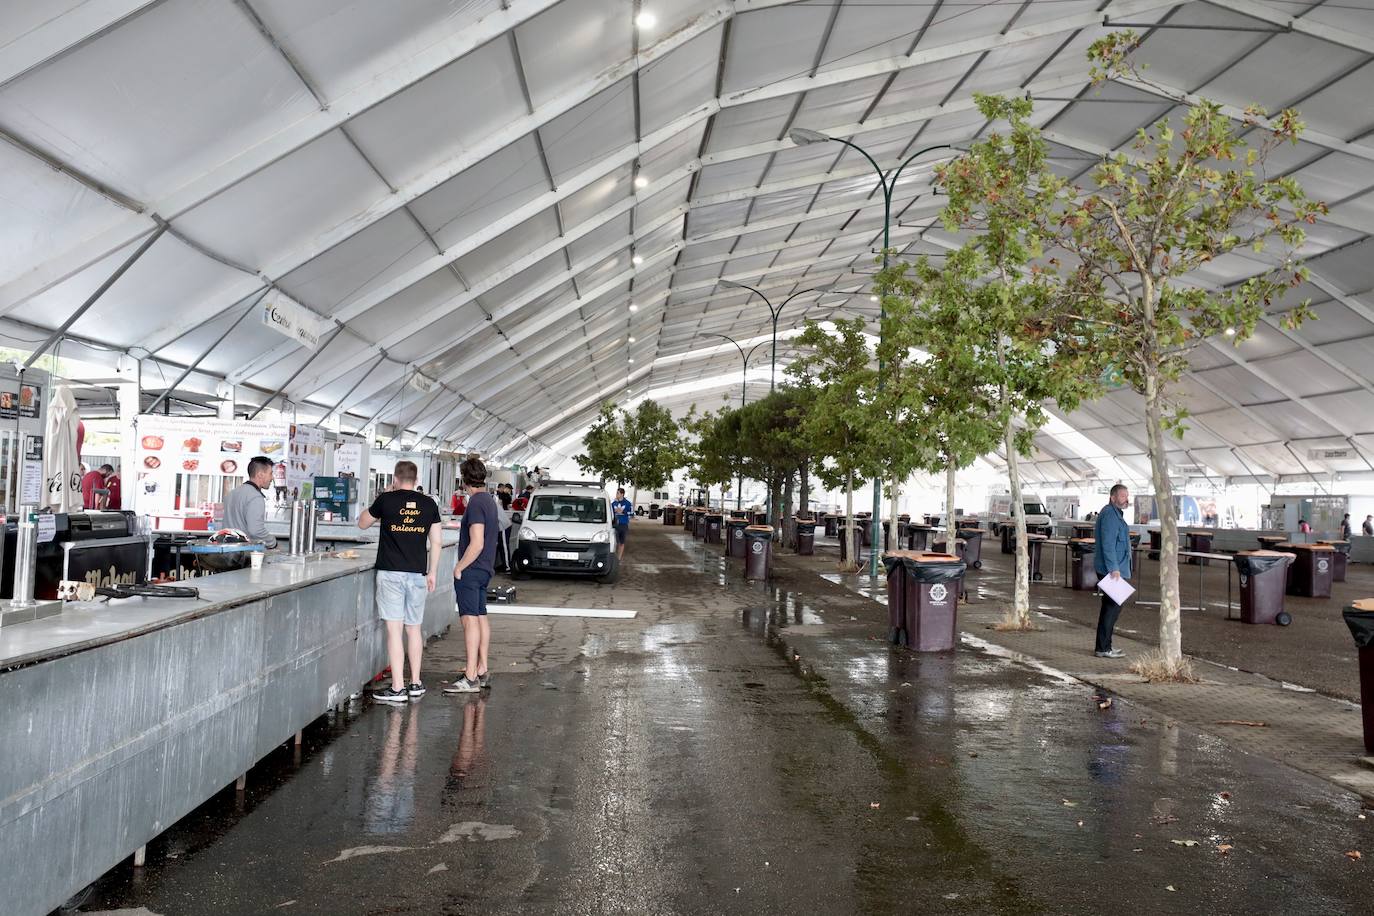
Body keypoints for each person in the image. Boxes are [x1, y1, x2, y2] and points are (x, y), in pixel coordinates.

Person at [359, 460, 442, 704]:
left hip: (391, 573)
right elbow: (436, 541)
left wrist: (382, 496)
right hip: (418, 574)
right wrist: (433, 572)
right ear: (416, 480)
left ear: (395, 478)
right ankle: (415, 683)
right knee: (414, 628)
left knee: (394, 631)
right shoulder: (429, 504)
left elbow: (363, 523)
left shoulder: (387, 500)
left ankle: (397, 688)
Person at [445, 457, 500, 695]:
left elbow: (476, 542)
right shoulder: (489, 500)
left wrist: (459, 567)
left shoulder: (476, 503)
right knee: (479, 616)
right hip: (485, 568)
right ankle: (481, 669)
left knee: (469, 619)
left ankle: (470, 677)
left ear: (464, 479)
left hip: (473, 568)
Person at [1092, 484, 1132, 659]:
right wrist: (1114, 568)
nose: (1125, 499)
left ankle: (1105, 646)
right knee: (1113, 606)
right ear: (1113, 497)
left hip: (1113, 568)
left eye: (1126, 495)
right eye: (1122, 496)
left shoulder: (1115, 514)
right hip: (1110, 569)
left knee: (1111, 606)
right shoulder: (1109, 514)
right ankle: (1103, 648)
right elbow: (1108, 544)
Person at [223, 457, 279, 549]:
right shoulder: (255, 497)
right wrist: (273, 543)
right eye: (270, 473)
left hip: (227, 551)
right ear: (260, 475)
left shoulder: (233, 493)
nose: (272, 478)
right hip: (243, 554)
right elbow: (255, 530)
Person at [611, 487, 632, 559]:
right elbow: (610, 513)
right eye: (616, 493)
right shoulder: (613, 503)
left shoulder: (628, 503)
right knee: (614, 542)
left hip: (623, 524)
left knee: (621, 542)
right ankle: (613, 557)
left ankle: (619, 558)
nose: (616, 494)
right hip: (614, 525)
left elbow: (632, 513)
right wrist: (615, 511)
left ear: (622, 494)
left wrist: (622, 512)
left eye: (618, 493)